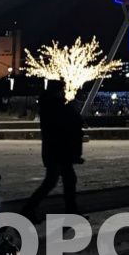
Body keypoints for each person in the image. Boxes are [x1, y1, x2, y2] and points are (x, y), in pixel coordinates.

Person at [21, 82, 84, 217]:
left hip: (57, 150)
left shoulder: (51, 105)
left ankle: (30, 208)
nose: (63, 92)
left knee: (60, 180)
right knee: (57, 181)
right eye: (61, 89)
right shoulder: (55, 105)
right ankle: (29, 209)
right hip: (59, 150)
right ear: (56, 91)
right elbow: (65, 125)